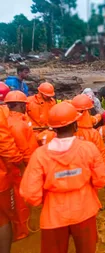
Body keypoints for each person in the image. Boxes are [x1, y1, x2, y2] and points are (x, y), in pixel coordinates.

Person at [20, 102, 105, 253]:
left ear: (53, 128)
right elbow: (101, 179)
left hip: (53, 215)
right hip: (84, 210)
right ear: (75, 125)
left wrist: (49, 198)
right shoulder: (88, 149)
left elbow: (30, 194)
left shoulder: (40, 155)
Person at [5, 91, 38, 241]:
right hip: (19, 170)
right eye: (24, 105)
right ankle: (21, 231)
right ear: (18, 105)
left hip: (17, 168)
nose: (26, 107)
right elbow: (24, 150)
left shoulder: (12, 121)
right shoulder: (17, 125)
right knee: (20, 201)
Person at [0, 83, 24, 253]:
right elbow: (6, 146)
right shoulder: (4, 117)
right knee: (3, 219)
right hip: (3, 176)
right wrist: (21, 163)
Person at [71, 94, 105, 176]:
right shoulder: (93, 133)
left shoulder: (65, 131)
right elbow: (102, 155)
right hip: (88, 174)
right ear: (86, 110)